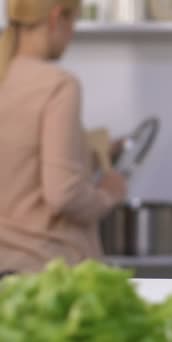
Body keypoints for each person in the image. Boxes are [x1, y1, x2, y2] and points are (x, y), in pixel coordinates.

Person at [0, 0, 127, 273]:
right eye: (74, 22)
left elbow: (21, 170)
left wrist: (89, 155)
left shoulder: (7, 75)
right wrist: (110, 193)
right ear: (57, 17)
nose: (72, 35)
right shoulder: (58, 85)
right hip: (43, 270)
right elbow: (63, 194)